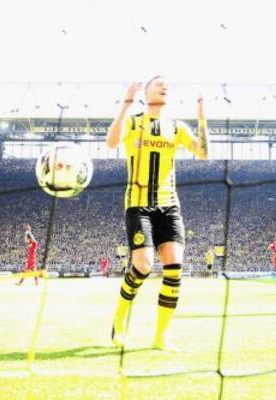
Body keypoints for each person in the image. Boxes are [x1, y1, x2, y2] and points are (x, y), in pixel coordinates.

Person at [106, 76, 209, 350]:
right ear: (145, 91)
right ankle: (119, 322)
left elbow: (203, 153)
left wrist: (201, 118)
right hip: (138, 205)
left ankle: (161, 337)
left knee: (174, 268)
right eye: (158, 83)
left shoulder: (177, 127)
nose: (164, 87)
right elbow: (111, 142)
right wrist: (126, 103)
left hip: (169, 206)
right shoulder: (133, 122)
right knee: (143, 266)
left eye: (167, 85)